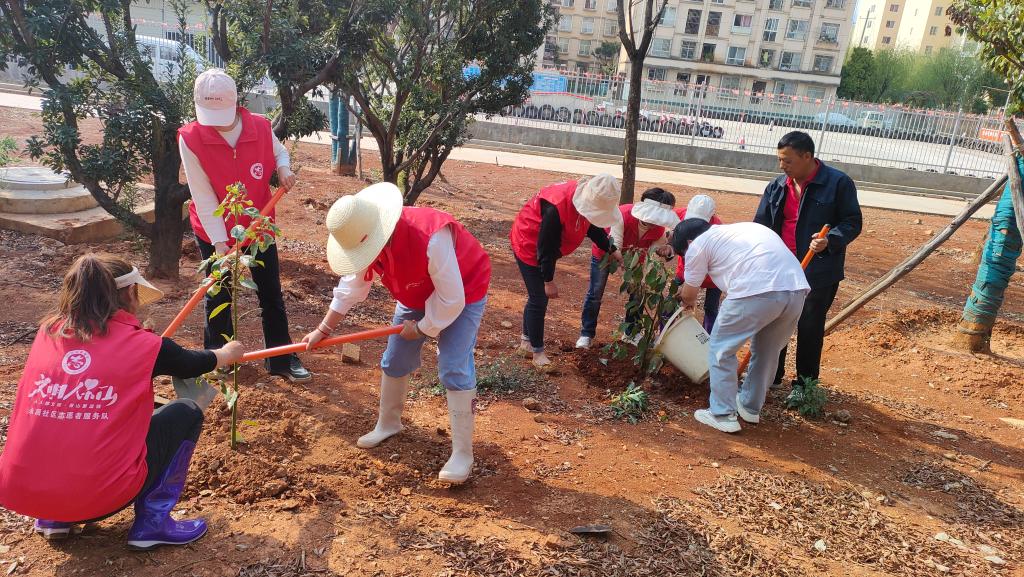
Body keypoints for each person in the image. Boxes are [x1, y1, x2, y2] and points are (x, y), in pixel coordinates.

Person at [0, 254, 244, 548]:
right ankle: (153, 523)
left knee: (66, 413)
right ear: (130, 293)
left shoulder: (48, 332)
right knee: (186, 412)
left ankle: (55, 519)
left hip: (25, 496)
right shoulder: (147, 346)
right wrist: (230, 352)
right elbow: (196, 363)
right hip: (100, 497)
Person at [303, 183, 491, 485]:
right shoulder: (362, 238)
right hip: (416, 292)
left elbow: (451, 299)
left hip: (463, 290)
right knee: (395, 359)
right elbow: (351, 290)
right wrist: (322, 329)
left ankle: (462, 454)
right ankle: (389, 423)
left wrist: (422, 328)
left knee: (454, 365)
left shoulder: (430, 237)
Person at [179, 68, 310, 383]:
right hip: (214, 228)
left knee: (270, 291)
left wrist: (283, 167)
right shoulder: (191, 138)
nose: (217, 120)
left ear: (236, 102)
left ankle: (279, 357)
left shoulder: (260, 127)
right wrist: (222, 245)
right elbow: (204, 195)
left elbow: (278, 151)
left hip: (259, 223)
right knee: (219, 292)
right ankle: (218, 358)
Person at [672, 220, 809, 433]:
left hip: (755, 289)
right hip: (796, 289)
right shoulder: (743, 229)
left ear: (689, 242)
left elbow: (689, 296)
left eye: (683, 252)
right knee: (768, 351)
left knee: (720, 348)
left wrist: (682, 297)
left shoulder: (698, 245)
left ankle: (722, 413)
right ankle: (750, 407)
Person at [753, 131, 862, 387]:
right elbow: (762, 224)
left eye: (788, 161)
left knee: (809, 326)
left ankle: (804, 385)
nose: (782, 166)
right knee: (774, 320)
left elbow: (852, 222)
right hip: (781, 268)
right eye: (780, 160)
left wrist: (830, 240)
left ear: (807, 157)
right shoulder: (777, 186)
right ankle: (771, 376)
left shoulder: (838, 183)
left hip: (818, 269)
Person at [510, 174, 623, 366]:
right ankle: (537, 353)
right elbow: (546, 249)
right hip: (528, 244)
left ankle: (526, 343)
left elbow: (592, 228)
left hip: (545, 249)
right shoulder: (556, 208)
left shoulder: (586, 200)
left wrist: (611, 249)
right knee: (539, 298)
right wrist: (548, 281)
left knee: (536, 298)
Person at [576, 188, 679, 349]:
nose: (654, 224)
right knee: (595, 292)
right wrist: (628, 271)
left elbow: (653, 258)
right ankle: (586, 334)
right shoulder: (623, 214)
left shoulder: (659, 229)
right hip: (607, 253)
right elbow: (615, 244)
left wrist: (664, 255)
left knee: (638, 293)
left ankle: (631, 332)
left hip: (636, 260)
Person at [673, 195, 724, 333]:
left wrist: (688, 290)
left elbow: (707, 263)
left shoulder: (716, 229)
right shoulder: (680, 215)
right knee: (670, 301)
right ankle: (664, 333)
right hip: (684, 271)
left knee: (711, 307)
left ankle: (707, 338)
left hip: (711, 276)